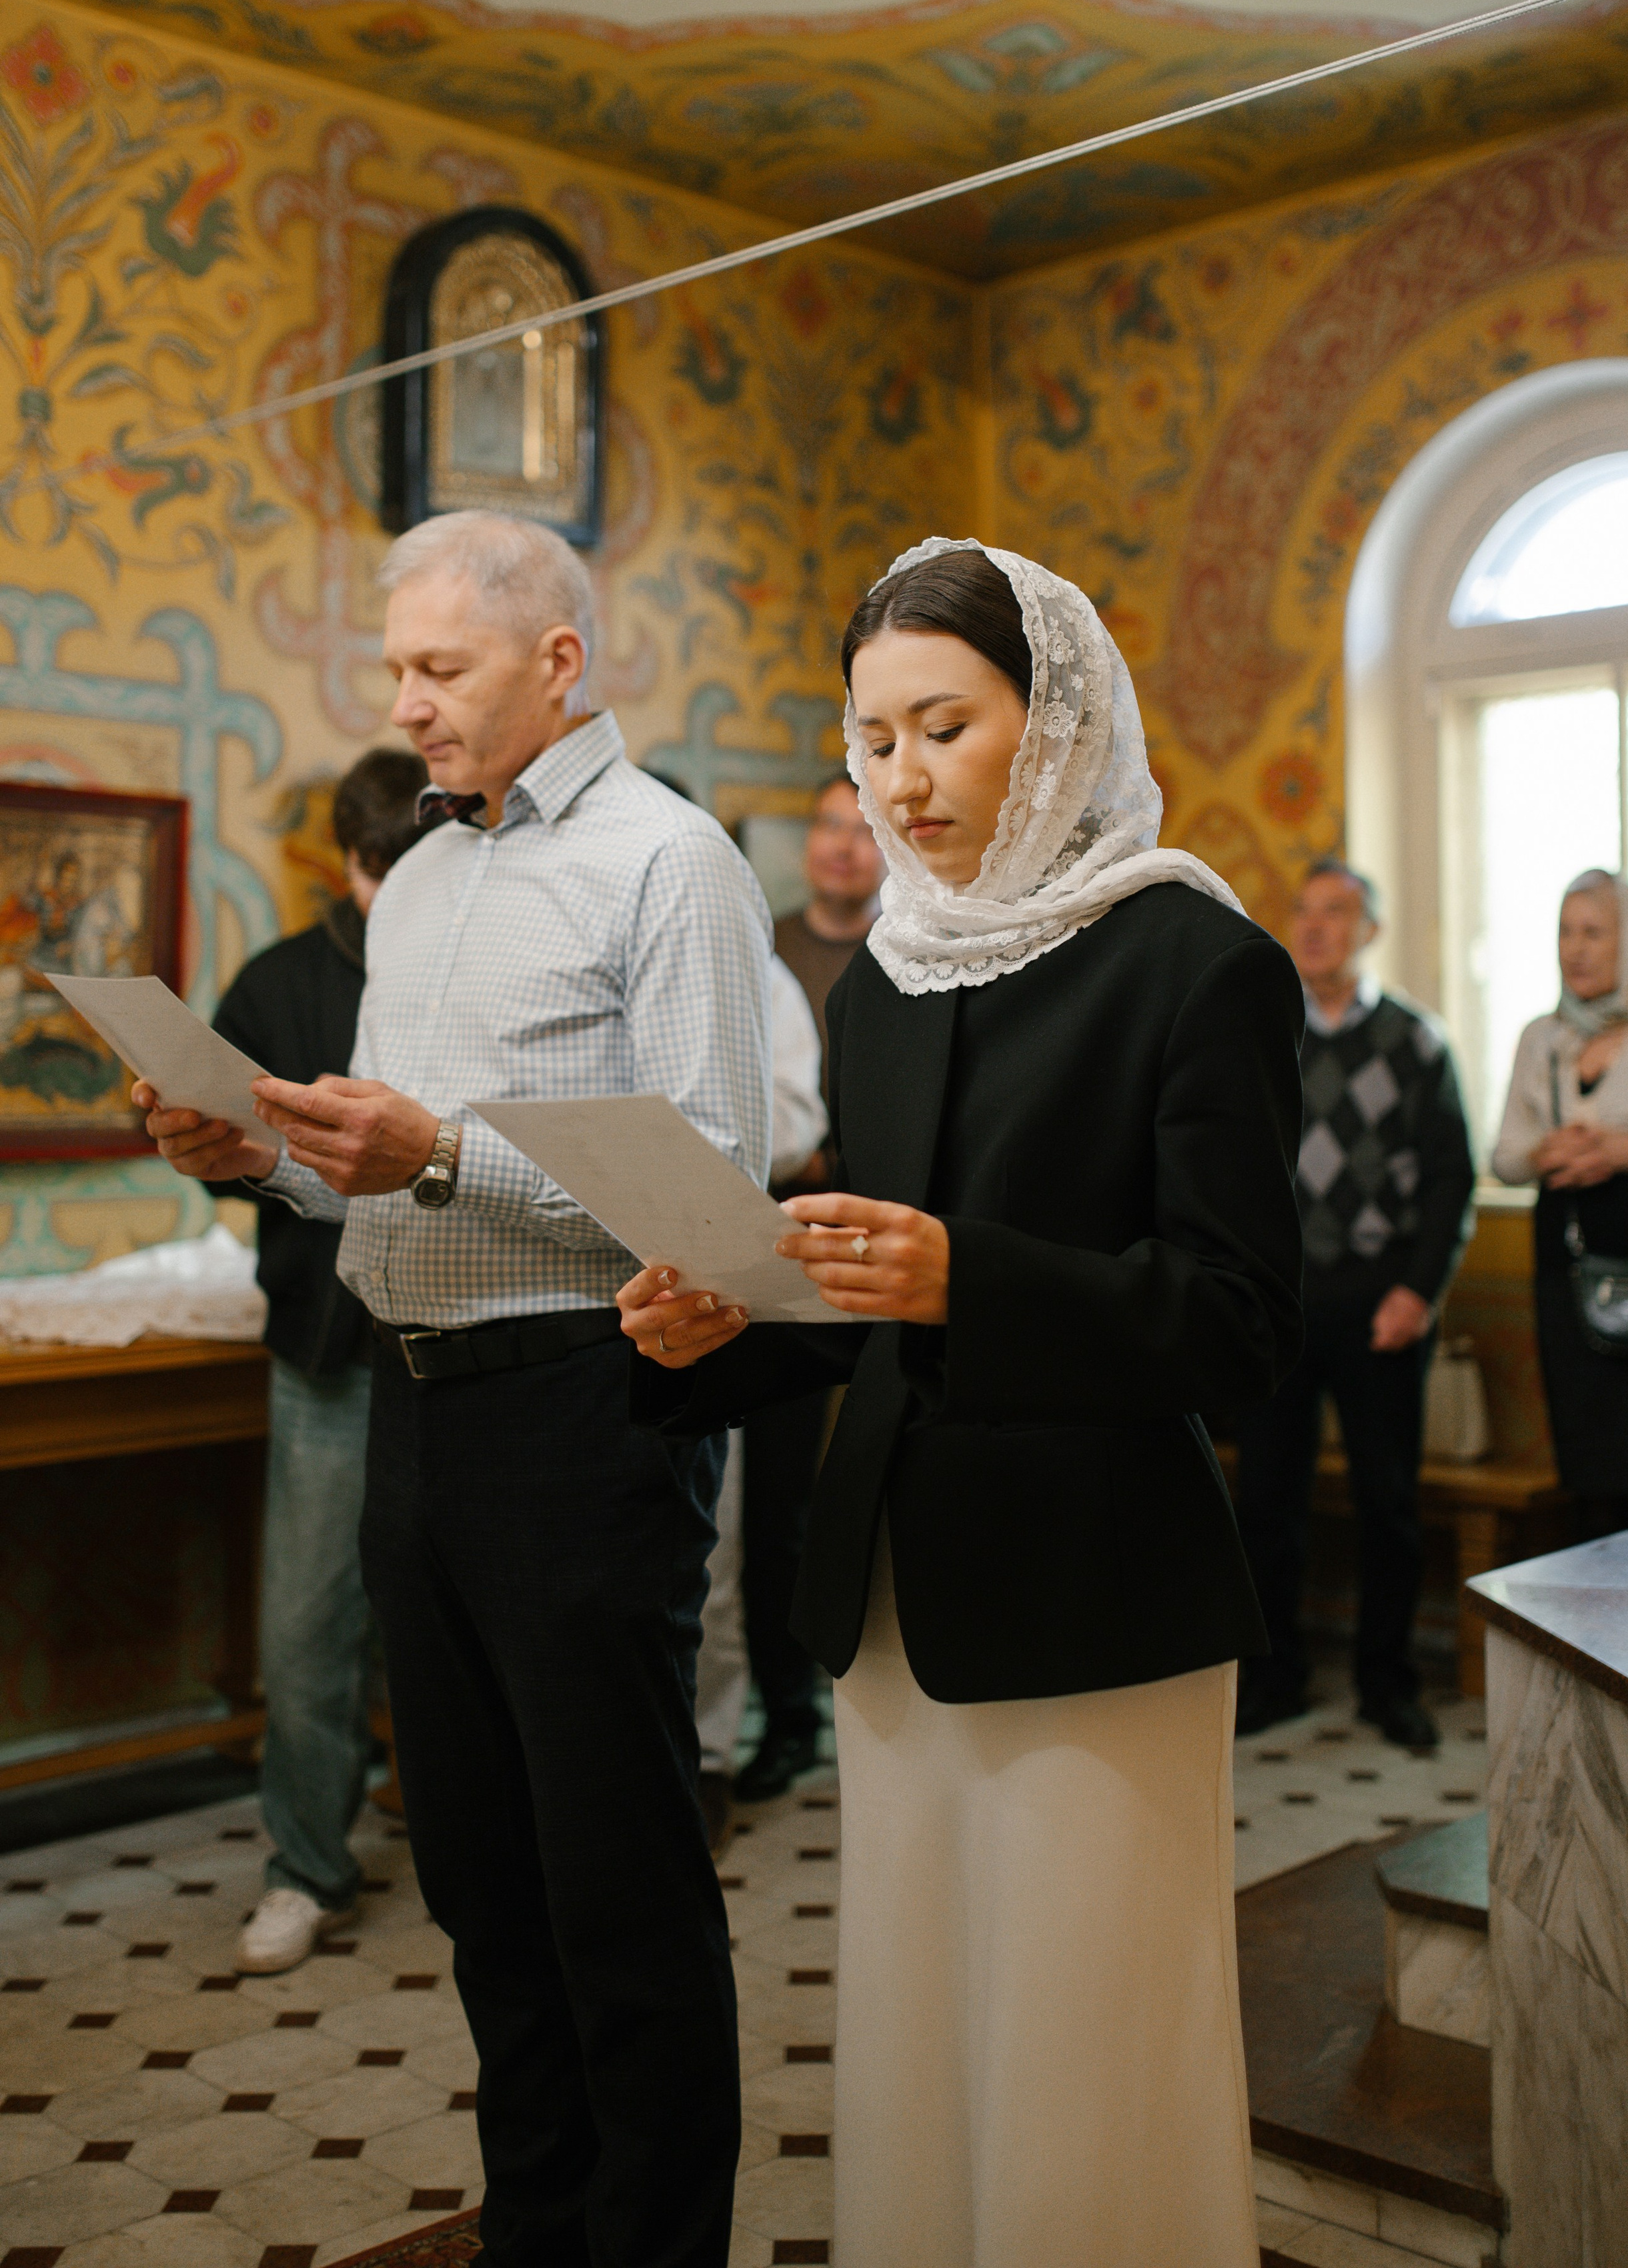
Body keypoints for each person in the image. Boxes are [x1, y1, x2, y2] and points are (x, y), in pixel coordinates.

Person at [618, 537, 1304, 2268]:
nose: (901, 783)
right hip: (895, 1600)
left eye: (944, 728)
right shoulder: (886, 987)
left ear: (1053, 722)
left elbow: (1234, 1322)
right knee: (921, 2030)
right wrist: (733, 1321)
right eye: (872, 741)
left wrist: (966, 1281)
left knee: (1085, 2050)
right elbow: (868, 1290)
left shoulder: (1191, 962)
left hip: (1097, 1594)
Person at [137, 509, 772, 2268]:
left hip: (585, 1409)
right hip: (412, 1415)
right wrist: (247, 1153)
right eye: (399, 668)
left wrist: (439, 1154)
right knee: (480, 1883)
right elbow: (381, 1171)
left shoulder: (671, 865)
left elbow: (709, 1186)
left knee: (614, 1895)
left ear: (558, 663)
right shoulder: (413, 879)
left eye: (441, 668)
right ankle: (543, 2229)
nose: (406, 704)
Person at [207, 746, 427, 1973]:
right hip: (327, 1346)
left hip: (460, 1341)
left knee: (451, 1619)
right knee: (305, 1627)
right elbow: (233, 1157)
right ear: (344, 864)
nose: (397, 892)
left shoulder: (480, 963)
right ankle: (306, 1864)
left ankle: (471, 1850)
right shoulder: (279, 982)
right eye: (378, 870)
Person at [1234, 860, 1475, 1749]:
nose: (1316, 927)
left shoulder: (1417, 1042)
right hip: (1283, 1306)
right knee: (1268, 1503)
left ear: (1370, 931)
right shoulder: (1264, 1033)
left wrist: (1418, 1291)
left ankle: (1388, 1682)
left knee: (1388, 1507)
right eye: (1305, 911)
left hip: (1383, 1306)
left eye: (1338, 913)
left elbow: (1453, 1178)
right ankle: (1274, 1679)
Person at [738, 774, 886, 1802]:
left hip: (889, 1240)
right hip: (774, 1241)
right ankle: (785, 1715)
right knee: (776, 1493)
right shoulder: (763, 948)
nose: (841, 847)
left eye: (861, 830)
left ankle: (879, 1691)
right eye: (828, 827)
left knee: (874, 1467)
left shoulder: (910, 950)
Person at [1493, 868, 1628, 1539]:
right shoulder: (1541, 1036)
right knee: (1594, 1498)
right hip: (1569, 1280)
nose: (1574, 948)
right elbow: (1503, 1155)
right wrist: (1549, 1151)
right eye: (1564, 930)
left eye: (1593, 931)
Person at [694, 946, 828, 1848]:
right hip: (600, 1270)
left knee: (739, 1525)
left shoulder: (753, 970)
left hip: (751, 1258)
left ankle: (725, 1742)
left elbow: (794, 1127)